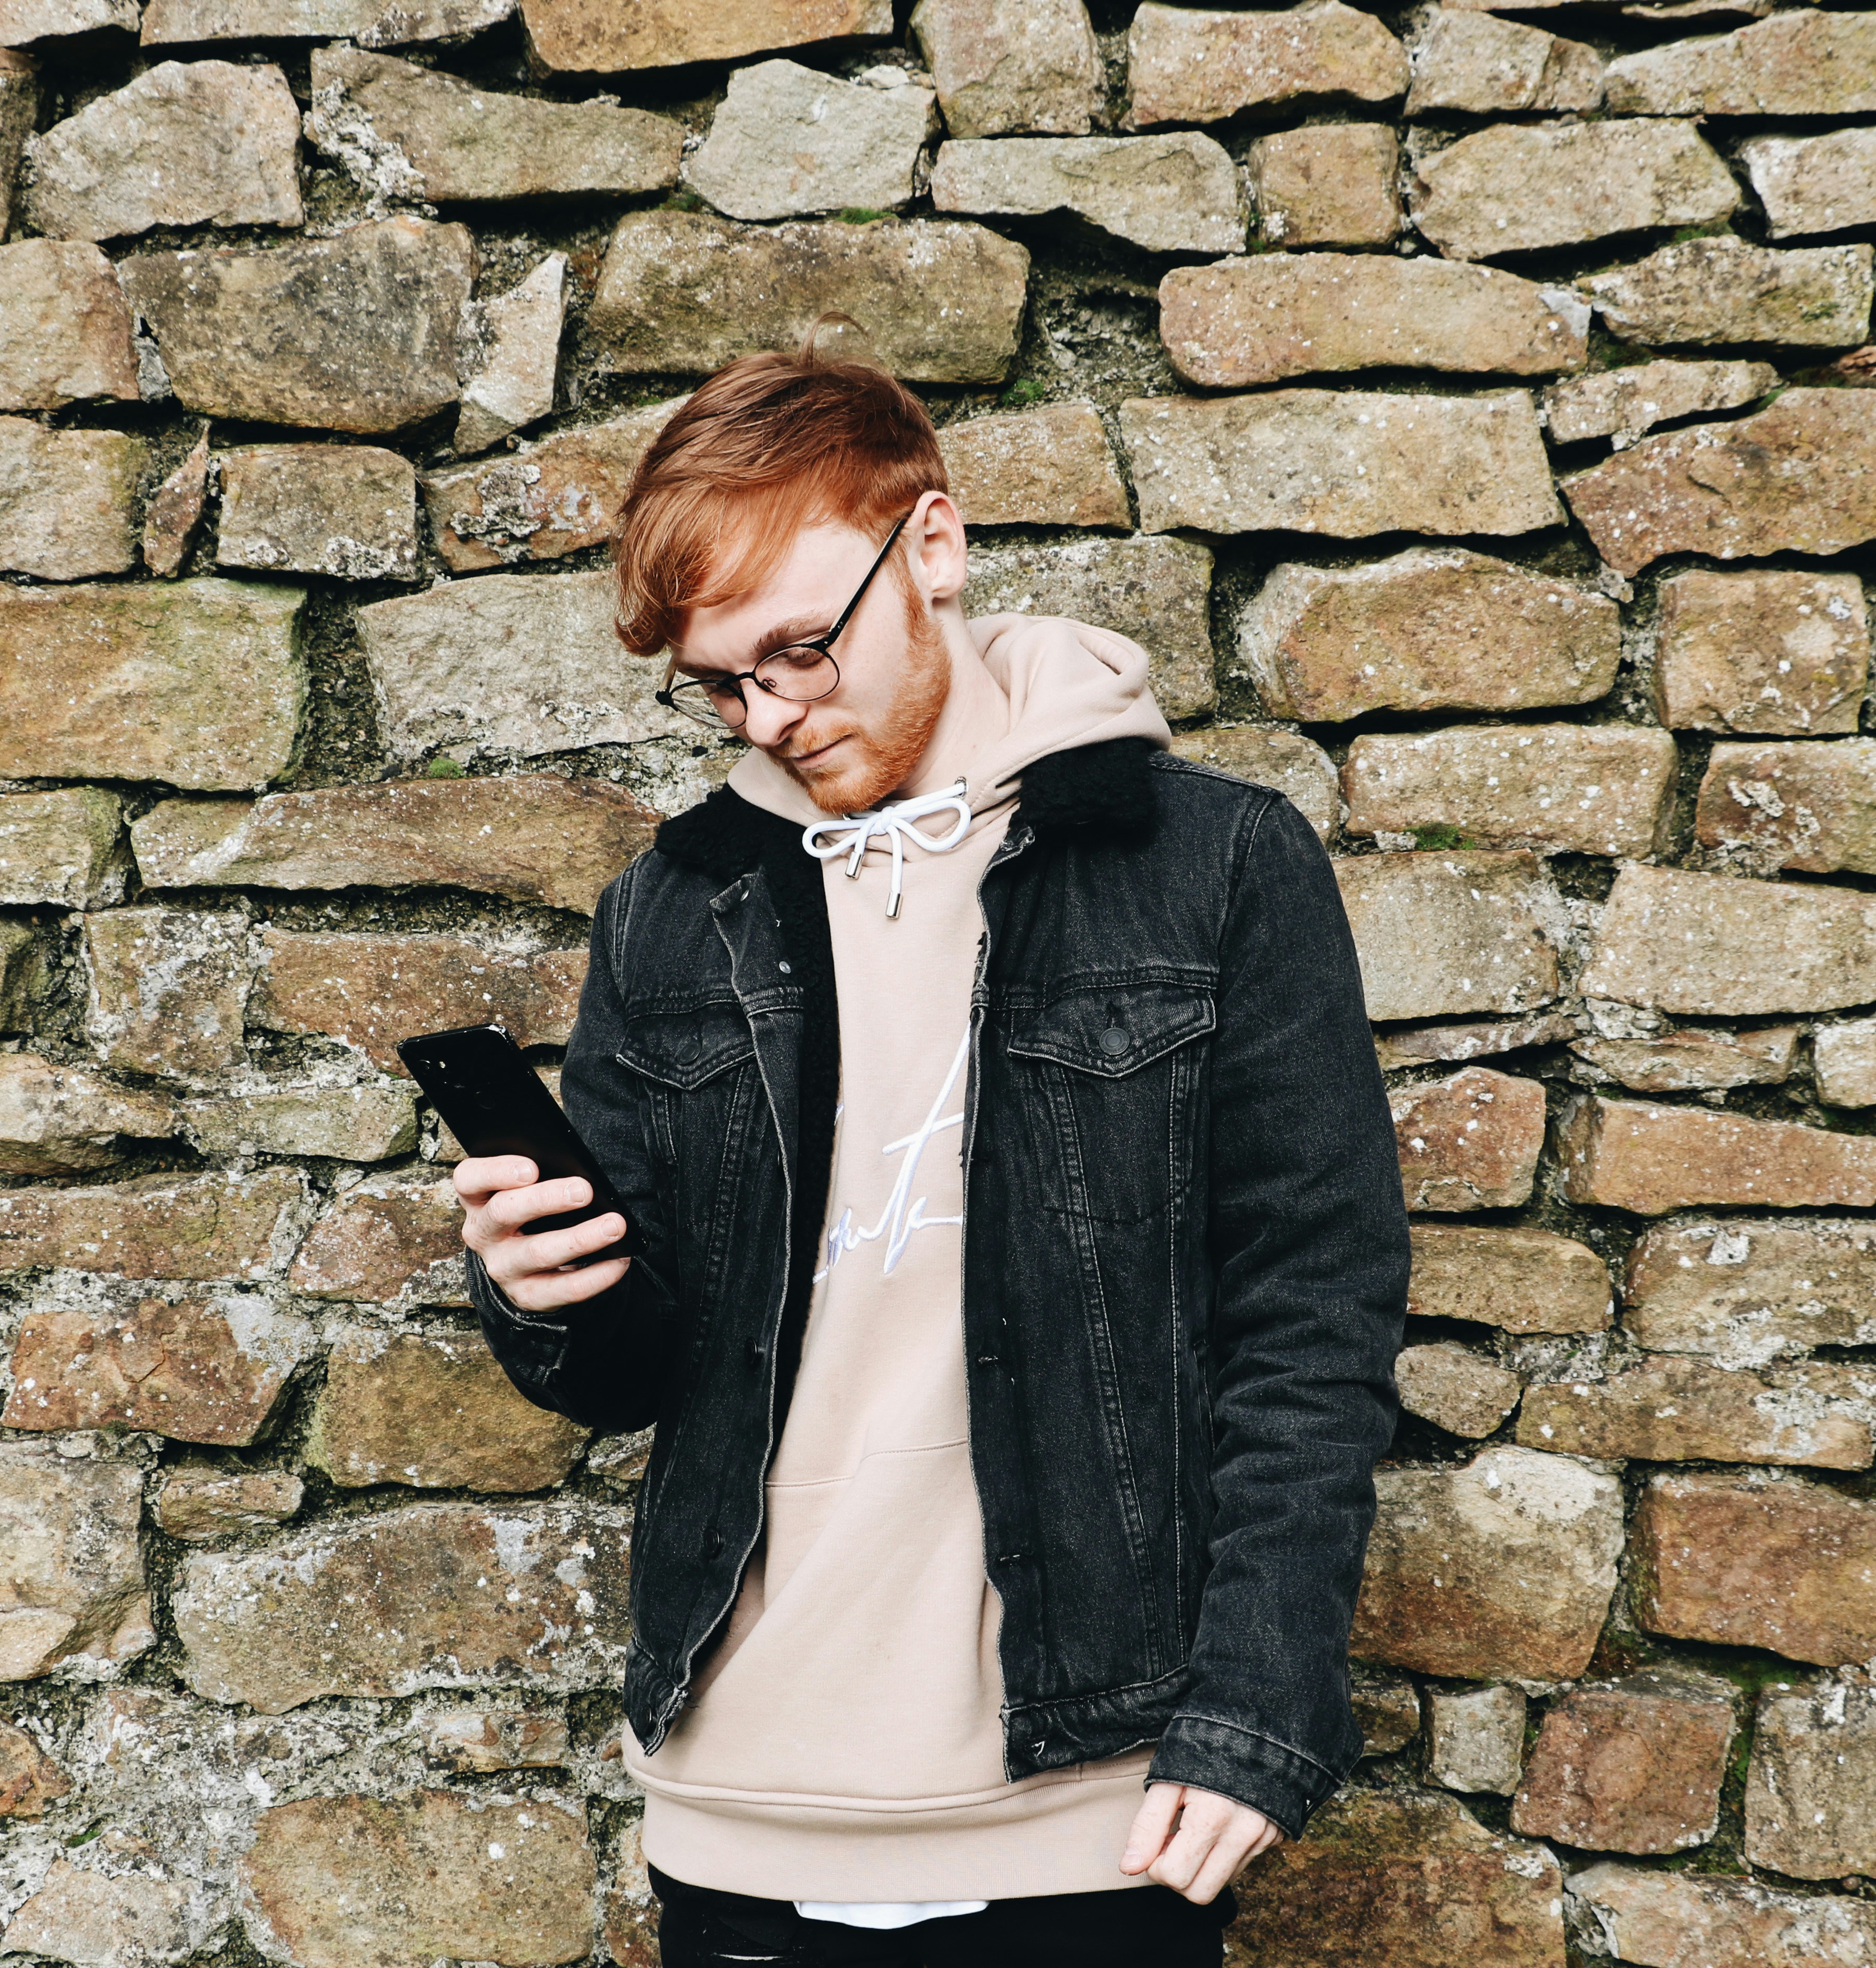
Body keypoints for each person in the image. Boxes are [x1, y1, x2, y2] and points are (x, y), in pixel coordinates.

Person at [452, 341, 1409, 1968]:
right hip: (739, 1806)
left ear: (937, 545)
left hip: (1090, 1812)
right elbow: (638, 1364)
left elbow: (1310, 1314)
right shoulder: (676, 907)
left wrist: (1256, 1703)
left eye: (802, 651)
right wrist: (538, 1289)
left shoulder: (1212, 865)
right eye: (722, 682)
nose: (771, 714)